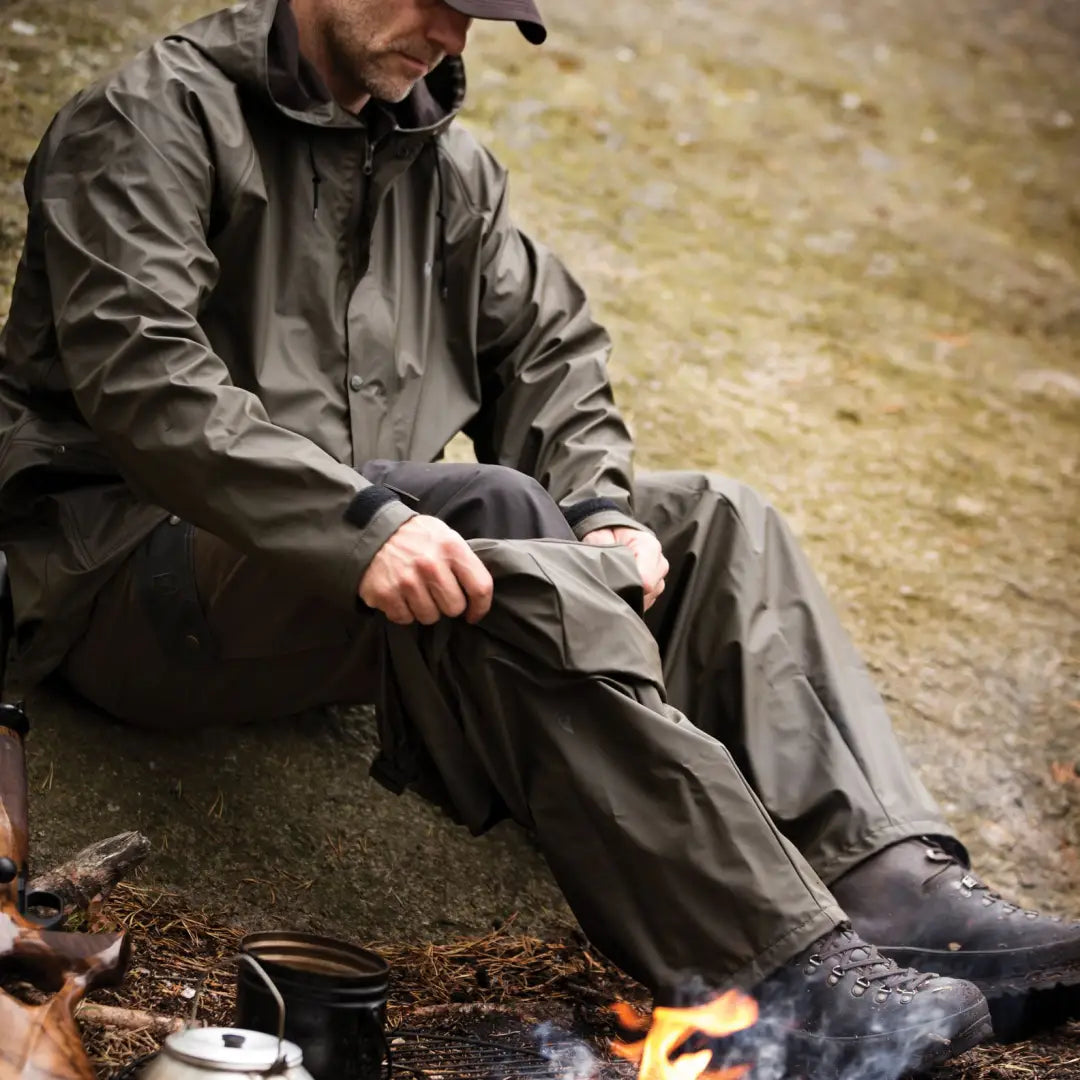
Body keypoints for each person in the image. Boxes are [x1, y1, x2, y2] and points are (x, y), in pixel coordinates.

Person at [0, 0, 1076, 1073]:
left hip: (350, 566)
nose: (451, 38)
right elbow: (147, 383)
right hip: (135, 574)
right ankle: (783, 978)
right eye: (437, 3)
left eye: (478, 17)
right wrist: (360, 522)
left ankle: (896, 894)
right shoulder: (152, 117)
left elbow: (548, 346)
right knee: (497, 528)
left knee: (715, 521)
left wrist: (602, 510)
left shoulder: (441, 164)